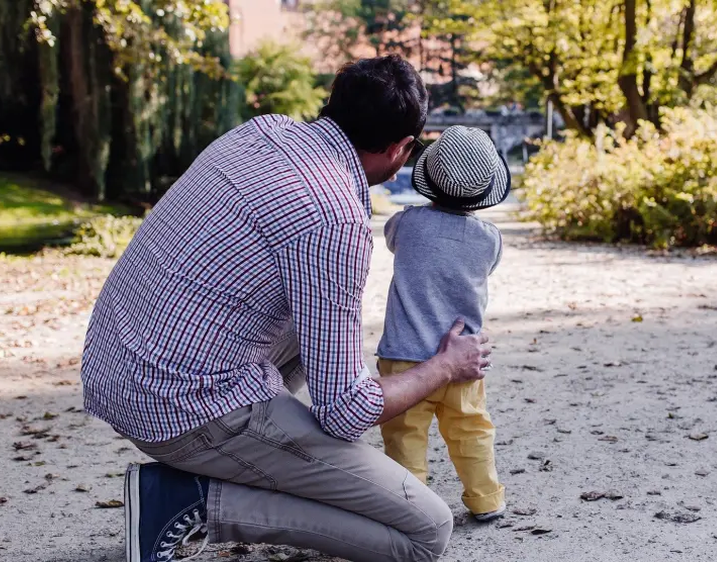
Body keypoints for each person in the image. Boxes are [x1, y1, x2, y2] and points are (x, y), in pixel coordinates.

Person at [79, 55, 491, 562]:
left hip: (116, 367)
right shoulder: (334, 218)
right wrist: (446, 365)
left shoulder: (261, 131)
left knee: (315, 318)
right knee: (425, 530)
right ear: (401, 148)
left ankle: (251, 458)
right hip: (180, 405)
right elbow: (347, 412)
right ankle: (192, 502)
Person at [376, 126, 509, 522]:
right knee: (472, 430)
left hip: (404, 360)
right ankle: (486, 499)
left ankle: (411, 508)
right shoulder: (490, 239)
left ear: (428, 179)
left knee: (404, 437)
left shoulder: (406, 224)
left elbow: (389, 239)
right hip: (464, 359)